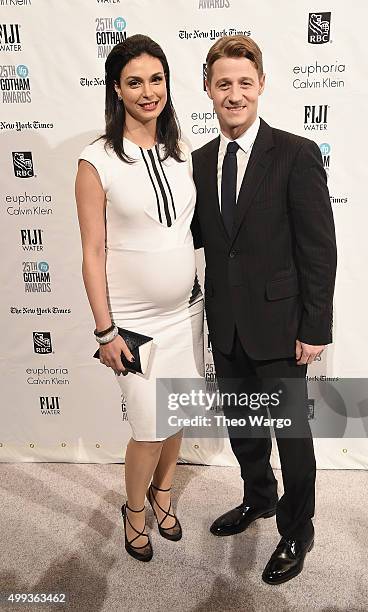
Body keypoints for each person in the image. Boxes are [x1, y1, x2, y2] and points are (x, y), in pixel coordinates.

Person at [191, 35, 336, 584]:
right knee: (245, 429)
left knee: (292, 439)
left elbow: (319, 248)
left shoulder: (296, 153)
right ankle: (259, 498)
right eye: (223, 83)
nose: (234, 94)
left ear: (261, 86)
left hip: (281, 327)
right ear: (208, 88)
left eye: (243, 83)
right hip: (225, 324)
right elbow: (202, 240)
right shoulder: (201, 162)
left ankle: (298, 528)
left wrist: (315, 326)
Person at [75, 34, 204, 562]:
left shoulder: (181, 152)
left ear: (168, 84)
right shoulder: (96, 160)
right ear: (117, 90)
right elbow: (93, 252)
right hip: (135, 324)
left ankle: (164, 495)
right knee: (148, 427)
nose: (148, 91)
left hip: (187, 314)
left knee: (176, 418)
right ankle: (134, 511)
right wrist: (105, 330)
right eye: (135, 82)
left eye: (157, 79)